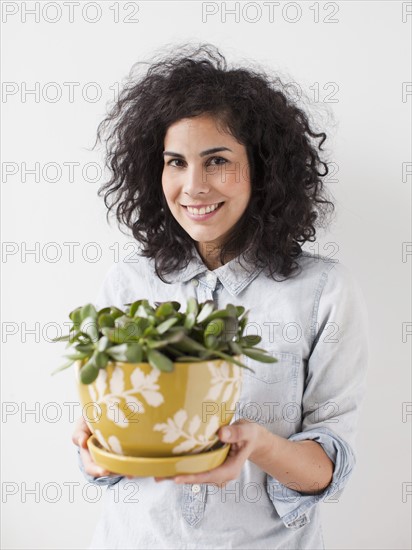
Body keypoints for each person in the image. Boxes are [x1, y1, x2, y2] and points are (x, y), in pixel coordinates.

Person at [72, 43, 369, 549]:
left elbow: (326, 468)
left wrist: (260, 445)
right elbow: (102, 453)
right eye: (175, 162)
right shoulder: (128, 284)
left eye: (216, 161)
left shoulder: (323, 291)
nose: (193, 186)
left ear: (262, 168)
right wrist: (93, 451)